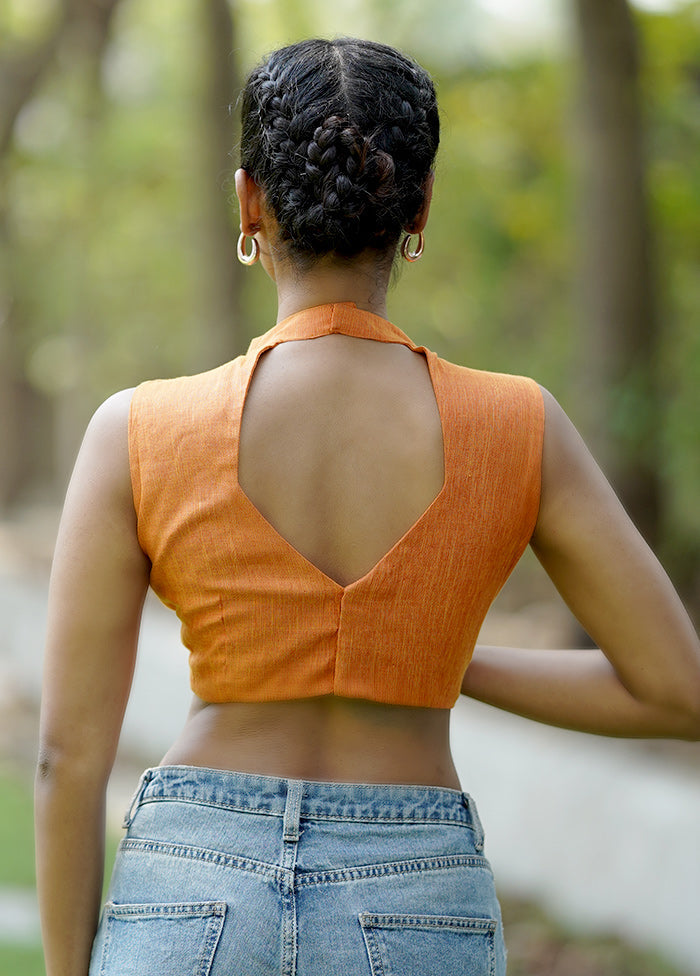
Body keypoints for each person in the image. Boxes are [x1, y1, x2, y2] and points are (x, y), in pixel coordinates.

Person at [35, 37, 700, 976]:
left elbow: (67, 755)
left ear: (248, 202)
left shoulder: (138, 430)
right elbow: (678, 690)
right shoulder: (517, 426)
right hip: (415, 893)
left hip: (193, 878)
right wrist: (445, 658)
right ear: (420, 207)